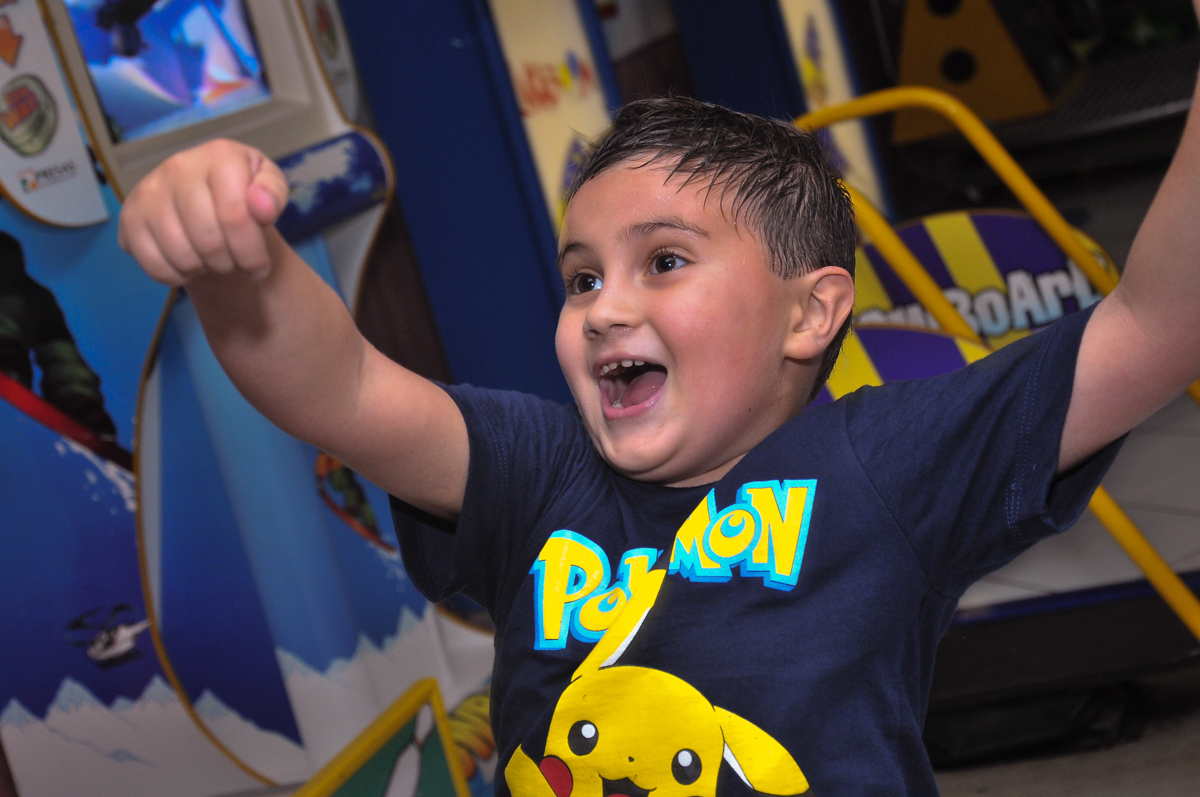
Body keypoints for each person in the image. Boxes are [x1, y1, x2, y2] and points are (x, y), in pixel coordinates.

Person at [119, 69, 1200, 797]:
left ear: (810, 314)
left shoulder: (880, 468)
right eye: (582, 277)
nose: (604, 307)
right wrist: (238, 271)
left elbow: (1153, 326)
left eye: (665, 261)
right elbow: (344, 388)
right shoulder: (536, 473)